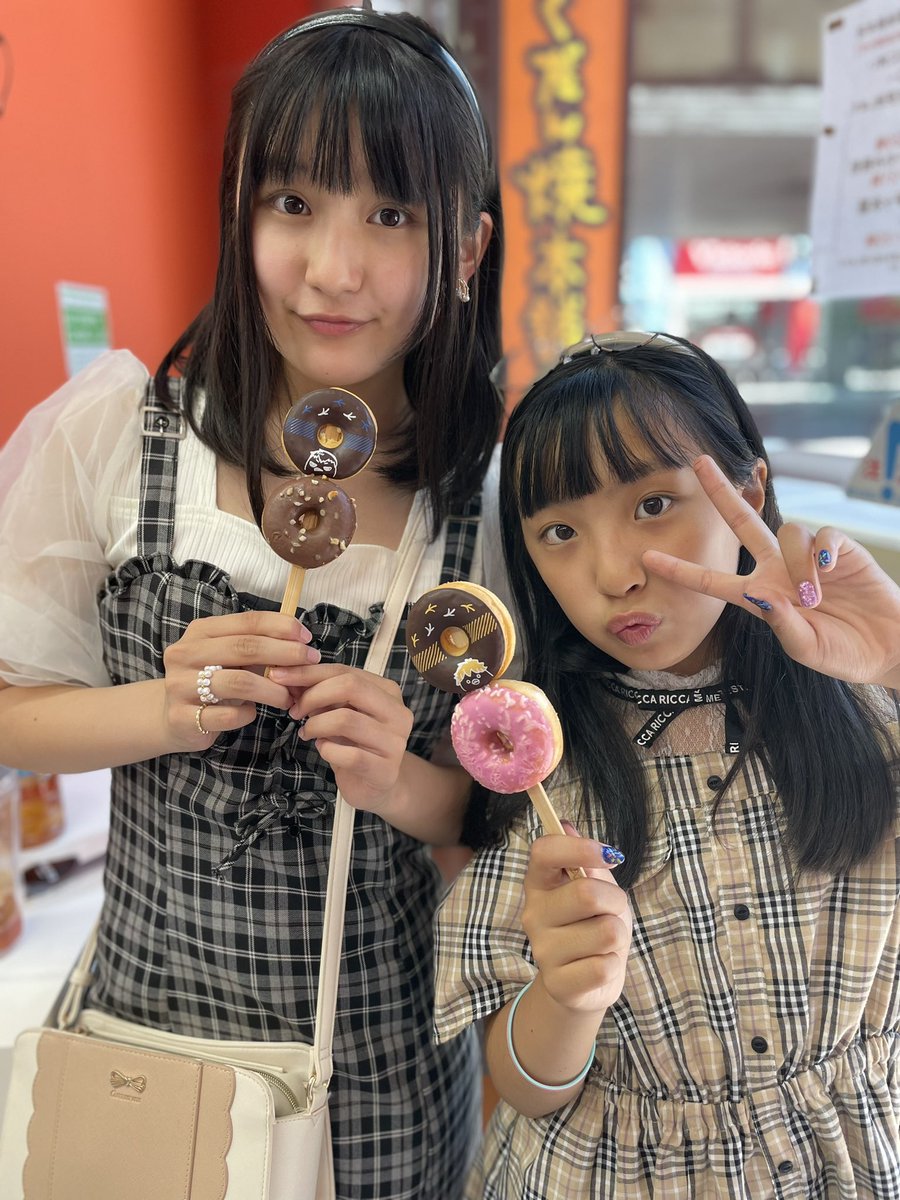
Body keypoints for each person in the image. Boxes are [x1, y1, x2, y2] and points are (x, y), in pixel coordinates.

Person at [0, 9, 506, 1198]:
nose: (334, 269)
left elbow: (503, 803)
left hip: (384, 1085)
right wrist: (163, 709)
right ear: (240, 213)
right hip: (143, 1055)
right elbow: (10, 711)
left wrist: (402, 781)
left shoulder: (493, 508)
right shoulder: (120, 438)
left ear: (467, 245)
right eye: (294, 203)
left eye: (392, 215)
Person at [435, 331, 900, 1198]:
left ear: (746, 493)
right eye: (560, 531)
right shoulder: (539, 765)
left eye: (653, 504)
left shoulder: (869, 716)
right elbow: (527, 1087)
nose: (614, 573)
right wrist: (567, 997)